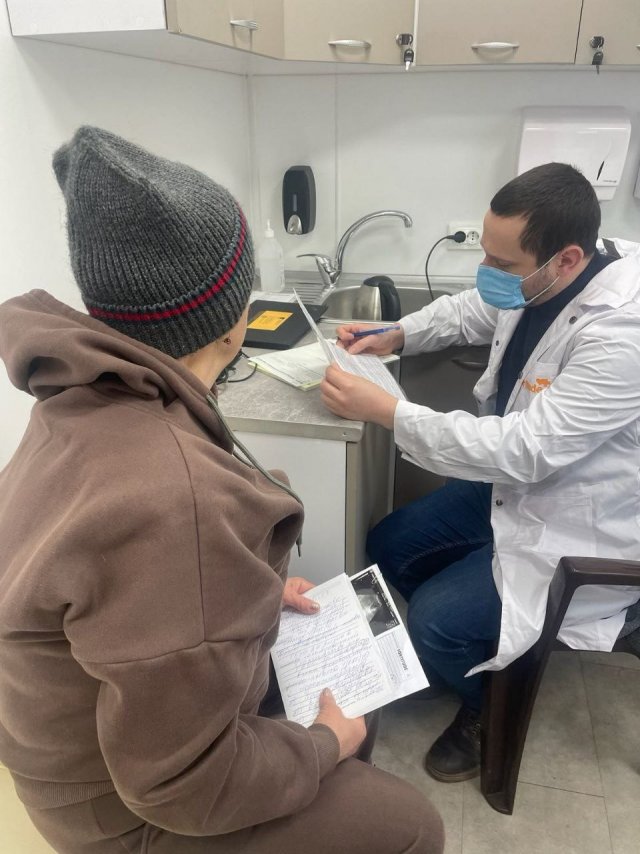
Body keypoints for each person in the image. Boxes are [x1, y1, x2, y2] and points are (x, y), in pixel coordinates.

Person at [0, 127, 444, 854]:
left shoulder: (74, 403)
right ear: (233, 323)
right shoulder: (171, 493)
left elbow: (121, 597)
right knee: (412, 828)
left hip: (75, 751)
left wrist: (252, 592)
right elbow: (182, 787)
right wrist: (323, 746)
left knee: (353, 713)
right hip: (125, 817)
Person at [321, 163, 640, 784]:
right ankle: (469, 648)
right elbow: (477, 309)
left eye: (502, 263)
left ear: (567, 259)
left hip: (576, 521)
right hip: (515, 488)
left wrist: (390, 412)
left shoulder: (622, 334)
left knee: (433, 619)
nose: (487, 271)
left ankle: (484, 705)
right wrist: (398, 335)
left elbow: (527, 448)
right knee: (389, 542)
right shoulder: (549, 277)